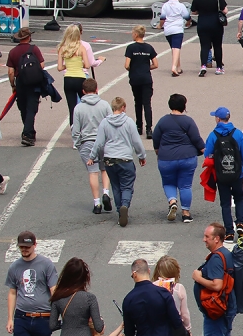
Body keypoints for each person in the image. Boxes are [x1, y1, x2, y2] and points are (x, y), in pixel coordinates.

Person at [189, 223, 238, 336]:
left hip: (216, 312)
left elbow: (217, 285)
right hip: (227, 308)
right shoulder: (225, 254)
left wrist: (198, 277)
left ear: (216, 238)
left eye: (207, 237)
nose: (204, 239)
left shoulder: (217, 258)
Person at [91, 96, 146, 228]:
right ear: (123, 107)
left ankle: (119, 212)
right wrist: (141, 155)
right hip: (125, 158)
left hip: (109, 158)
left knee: (115, 186)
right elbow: (136, 141)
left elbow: (99, 142)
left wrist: (92, 156)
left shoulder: (105, 122)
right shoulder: (129, 122)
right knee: (126, 185)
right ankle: (125, 205)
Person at [152, 93, 203, 224]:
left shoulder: (163, 121)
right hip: (187, 157)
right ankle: (186, 213)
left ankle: (172, 201)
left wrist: (159, 152)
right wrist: (204, 150)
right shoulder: (188, 121)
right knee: (185, 185)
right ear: (183, 106)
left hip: (166, 158)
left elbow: (156, 139)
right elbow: (196, 139)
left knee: (168, 183)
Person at [205, 106, 243, 237]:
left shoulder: (213, 135)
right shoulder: (238, 134)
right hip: (237, 173)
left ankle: (229, 231)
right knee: (239, 198)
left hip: (221, 175)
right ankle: (240, 223)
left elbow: (207, 154)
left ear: (217, 119)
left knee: (225, 203)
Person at [70, 79, 113, 216]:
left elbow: (76, 129)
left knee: (93, 172)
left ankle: (97, 202)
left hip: (87, 142)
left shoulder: (78, 108)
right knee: (105, 169)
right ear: (96, 89)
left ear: (83, 91)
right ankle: (106, 192)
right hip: (104, 141)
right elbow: (110, 123)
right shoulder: (105, 105)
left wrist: (77, 143)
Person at [6, 28, 47, 146]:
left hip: (20, 82)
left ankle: (29, 131)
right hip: (34, 82)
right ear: (29, 37)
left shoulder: (13, 52)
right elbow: (42, 65)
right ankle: (28, 133)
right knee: (32, 108)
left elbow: (10, 72)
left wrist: (13, 85)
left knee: (23, 107)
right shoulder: (34, 49)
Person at [124, 25, 158, 137]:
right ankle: (149, 128)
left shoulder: (131, 48)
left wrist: (134, 68)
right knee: (147, 103)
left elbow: (127, 65)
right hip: (146, 78)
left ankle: (139, 126)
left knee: (137, 102)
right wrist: (146, 68)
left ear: (136, 34)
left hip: (135, 78)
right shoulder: (149, 48)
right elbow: (156, 64)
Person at [190, 0, 227, 77]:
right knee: (217, 46)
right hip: (216, 24)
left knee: (204, 46)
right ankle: (219, 67)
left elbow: (193, 11)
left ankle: (203, 65)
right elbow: (225, 10)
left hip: (202, 23)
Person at [55, 25, 90, 125]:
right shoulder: (81, 48)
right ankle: (83, 126)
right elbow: (87, 65)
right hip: (80, 78)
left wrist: (67, 66)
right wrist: (80, 63)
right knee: (84, 105)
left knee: (72, 106)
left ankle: (73, 127)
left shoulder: (63, 48)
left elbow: (59, 68)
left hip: (68, 78)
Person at [159, 0, 189, 75]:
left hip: (168, 29)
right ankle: (174, 67)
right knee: (177, 48)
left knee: (174, 48)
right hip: (177, 28)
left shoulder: (165, 5)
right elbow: (187, 16)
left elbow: (162, 18)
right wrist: (188, 22)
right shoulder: (181, 5)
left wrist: (160, 25)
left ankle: (179, 67)